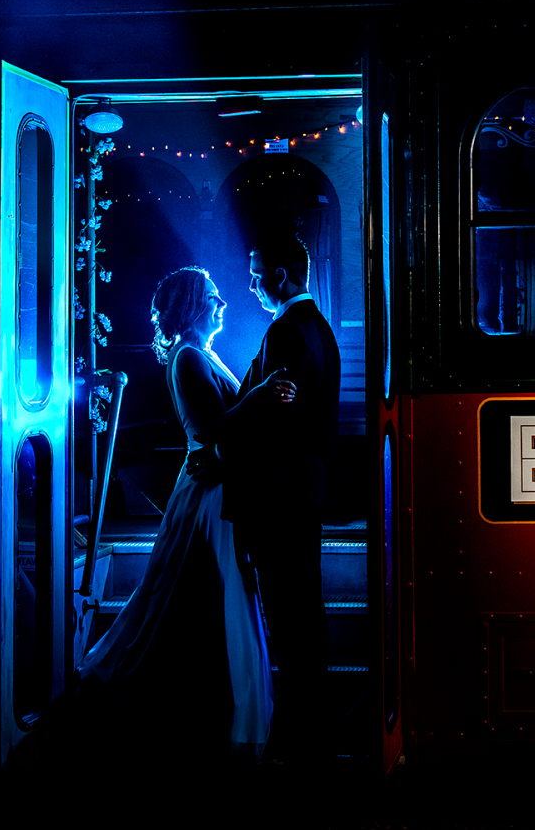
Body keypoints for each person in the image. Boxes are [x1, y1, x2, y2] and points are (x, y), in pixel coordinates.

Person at [78, 266, 291, 768]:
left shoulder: (200, 354)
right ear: (194, 304)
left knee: (203, 595)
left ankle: (208, 705)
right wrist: (259, 398)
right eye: (213, 297)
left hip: (214, 480)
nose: (222, 304)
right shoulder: (190, 358)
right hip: (208, 495)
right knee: (211, 594)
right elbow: (218, 430)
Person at [195, 232, 340, 760]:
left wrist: (223, 437)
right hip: (305, 490)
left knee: (287, 611)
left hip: (277, 496)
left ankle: (299, 729)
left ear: (280, 276)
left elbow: (267, 420)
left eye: (257, 274)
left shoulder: (284, 331)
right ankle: (313, 719)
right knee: (305, 607)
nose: (252, 284)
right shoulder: (319, 329)